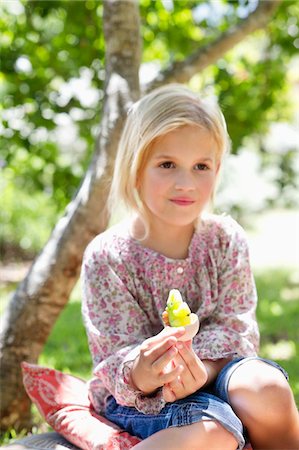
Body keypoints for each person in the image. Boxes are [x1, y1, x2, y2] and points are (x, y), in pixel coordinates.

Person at [81, 84, 299, 449]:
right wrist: (146, 370)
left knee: (268, 389)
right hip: (139, 398)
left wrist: (201, 366)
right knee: (214, 432)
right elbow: (113, 355)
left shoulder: (224, 240)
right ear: (135, 168)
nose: (186, 183)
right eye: (167, 165)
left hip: (216, 369)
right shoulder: (109, 257)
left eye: (201, 166)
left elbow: (236, 328)